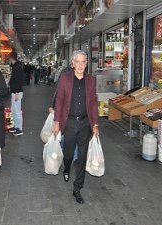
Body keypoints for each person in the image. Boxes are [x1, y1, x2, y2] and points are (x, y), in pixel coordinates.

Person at [52, 50, 99, 204]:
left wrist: (95, 124)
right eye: (77, 62)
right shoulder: (65, 78)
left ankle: (77, 188)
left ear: (86, 64)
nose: (80, 65)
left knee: (82, 156)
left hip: (85, 123)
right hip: (70, 122)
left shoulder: (91, 80)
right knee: (68, 153)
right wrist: (57, 121)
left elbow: (92, 103)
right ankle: (66, 167)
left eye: (83, 62)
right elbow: (59, 100)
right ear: (72, 63)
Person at [9, 51, 24, 136]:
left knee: (17, 111)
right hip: (14, 91)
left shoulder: (17, 67)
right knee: (14, 110)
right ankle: (15, 126)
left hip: (16, 92)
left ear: (11, 58)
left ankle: (20, 128)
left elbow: (19, 81)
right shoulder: (16, 66)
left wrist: (17, 92)